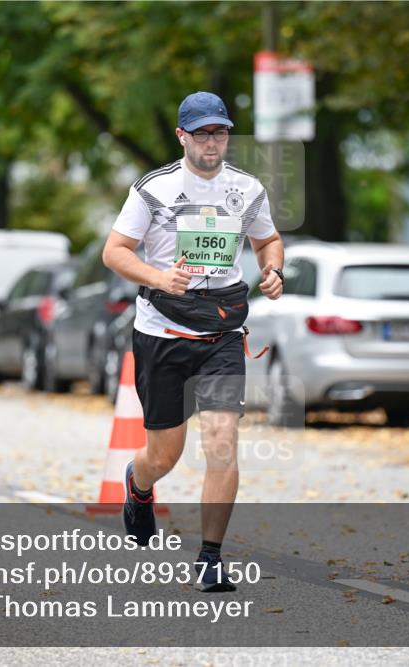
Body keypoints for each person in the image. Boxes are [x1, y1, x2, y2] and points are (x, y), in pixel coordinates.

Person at [102, 92, 284, 592]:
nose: (212, 142)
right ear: (182, 136)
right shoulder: (154, 189)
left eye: (219, 132)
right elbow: (114, 252)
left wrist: (273, 269)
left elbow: (267, 240)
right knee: (164, 455)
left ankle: (210, 557)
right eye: (201, 133)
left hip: (221, 332)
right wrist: (159, 278)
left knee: (223, 442)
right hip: (161, 331)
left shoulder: (246, 189)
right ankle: (138, 488)